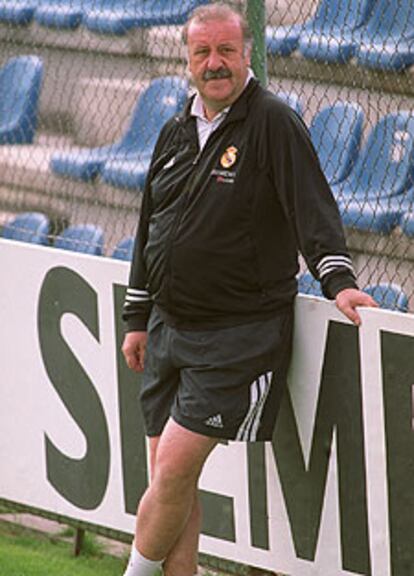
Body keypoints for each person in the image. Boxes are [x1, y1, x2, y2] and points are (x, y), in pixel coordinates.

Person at [121, 3, 377, 575]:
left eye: (226, 51)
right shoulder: (174, 129)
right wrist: (137, 316)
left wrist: (338, 279)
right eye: (202, 52)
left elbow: (312, 209)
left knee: (172, 472)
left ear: (247, 55)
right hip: (168, 328)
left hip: (236, 335)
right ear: (187, 60)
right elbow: (149, 227)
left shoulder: (273, 122)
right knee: (170, 477)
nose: (215, 64)